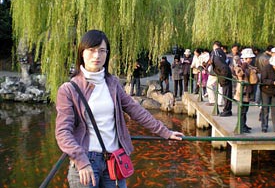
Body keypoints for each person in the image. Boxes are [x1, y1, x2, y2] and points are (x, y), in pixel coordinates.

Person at [55, 30, 184, 188]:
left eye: (102, 51)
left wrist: (165, 132)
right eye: (92, 50)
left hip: (114, 161)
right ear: (82, 53)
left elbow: (136, 110)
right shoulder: (69, 89)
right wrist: (80, 160)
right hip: (86, 162)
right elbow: (62, 132)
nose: (97, 56)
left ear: (107, 54)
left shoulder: (112, 83)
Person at [233, 48, 256, 133]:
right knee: (242, 110)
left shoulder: (249, 66)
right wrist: (244, 67)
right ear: (245, 58)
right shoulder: (239, 65)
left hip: (247, 91)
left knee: (245, 109)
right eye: (249, 58)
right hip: (242, 91)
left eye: (250, 58)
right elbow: (239, 74)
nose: (250, 60)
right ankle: (241, 126)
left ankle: (243, 124)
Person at [209, 41, 233, 117]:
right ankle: (227, 109)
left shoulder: (215, 53)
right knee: (227, 93)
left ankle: (227, 110)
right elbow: (226, 62)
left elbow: (219, 64)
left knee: (226, 93)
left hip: (223, 74)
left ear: (214, 46)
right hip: (225, 73)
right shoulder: (221, 52)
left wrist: (222, 74)